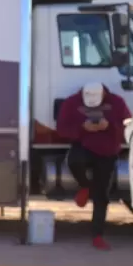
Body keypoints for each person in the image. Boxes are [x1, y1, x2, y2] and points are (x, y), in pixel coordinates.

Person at [56, 82, 132, 250]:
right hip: (84, 146)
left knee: (102, 197)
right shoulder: (72, 103)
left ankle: (97, 236)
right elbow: (62, 129)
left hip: (108, 152)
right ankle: (85, 186)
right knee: (74, 161)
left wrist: (110, 126)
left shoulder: (117, 102)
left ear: (104, 94)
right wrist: (82, 128)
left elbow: (128, 128)